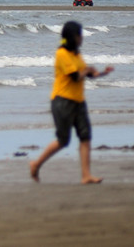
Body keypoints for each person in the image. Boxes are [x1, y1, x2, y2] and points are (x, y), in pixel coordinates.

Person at [30, 21, 114, 184]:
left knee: (85, 136)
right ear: (72, 36)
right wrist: (87, 70)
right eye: (79, 35)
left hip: (79, 101)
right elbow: (75, 76)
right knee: (63, 140)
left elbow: (87, 74)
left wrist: (103, 73)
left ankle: (86, 175)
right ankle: (36, 164)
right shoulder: (62, 54)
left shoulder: (76, 54)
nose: (81, 38)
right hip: (62, 101)